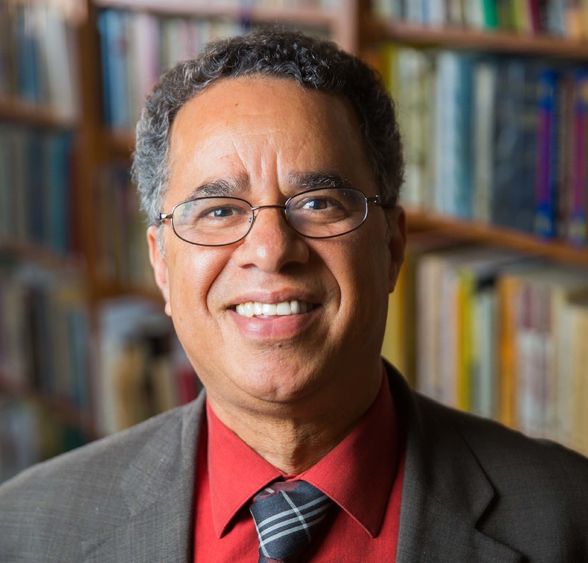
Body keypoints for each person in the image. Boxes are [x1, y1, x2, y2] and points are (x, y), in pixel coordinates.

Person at [1, 29, 587, 563]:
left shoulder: (569, 519)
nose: (272, 250)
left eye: (318, 204)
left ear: (390, 247)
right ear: (161, 262)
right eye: (218, 211)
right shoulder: (26, 530)